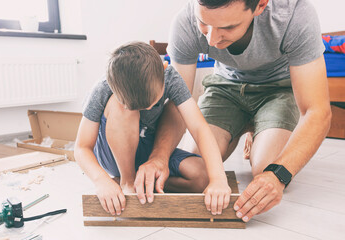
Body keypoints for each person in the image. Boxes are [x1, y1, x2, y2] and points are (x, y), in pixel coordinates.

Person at [134, 0, 331, 223]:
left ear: (260, 5)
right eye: (204, 24)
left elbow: (317, 111)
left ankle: (254, 128)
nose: (211, 40)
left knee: (266, 167)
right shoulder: (185, 20)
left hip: (278, 89)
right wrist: (159, 157)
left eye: (228, 27)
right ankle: (246, 125)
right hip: (224, 87)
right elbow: (178, 102)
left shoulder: (295, 14)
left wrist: (279, 175)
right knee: (197, 164)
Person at [74, 41, 231, 216]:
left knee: (202, 175)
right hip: (113, 154)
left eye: (153, 103)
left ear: (164, 69)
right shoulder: (103, 88)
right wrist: (101, 181)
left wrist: (218, 179)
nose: (147, 110)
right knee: (121, 109)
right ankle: (127, 181)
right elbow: (81, 147)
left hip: (147, 148)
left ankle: (144, 182)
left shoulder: (170, 77)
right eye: (136, 107)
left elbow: (199, 128)